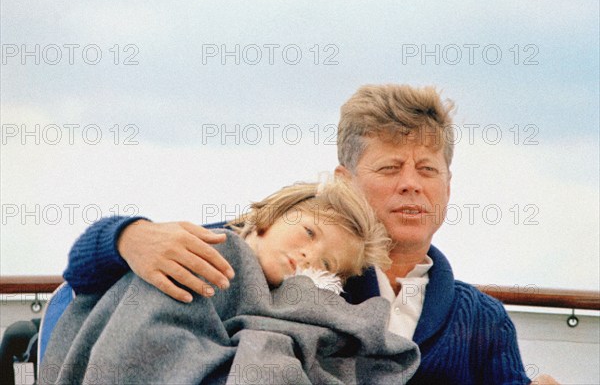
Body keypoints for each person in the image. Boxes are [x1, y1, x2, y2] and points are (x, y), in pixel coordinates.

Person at [60, 84, 557, 384]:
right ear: (344, 183)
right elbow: (84, 273)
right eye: (389, 167)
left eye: (428, 169)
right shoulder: (281, 255)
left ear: (448, 186)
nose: (411, 183)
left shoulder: (484, 322)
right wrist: (129, 237)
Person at [41, 180, 420, 384]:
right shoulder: (208, 247)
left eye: (325, 263)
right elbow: (86, 280)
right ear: (273, 216)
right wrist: (125, 236)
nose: (308, 256)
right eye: (307, 232)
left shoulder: (301, 302)